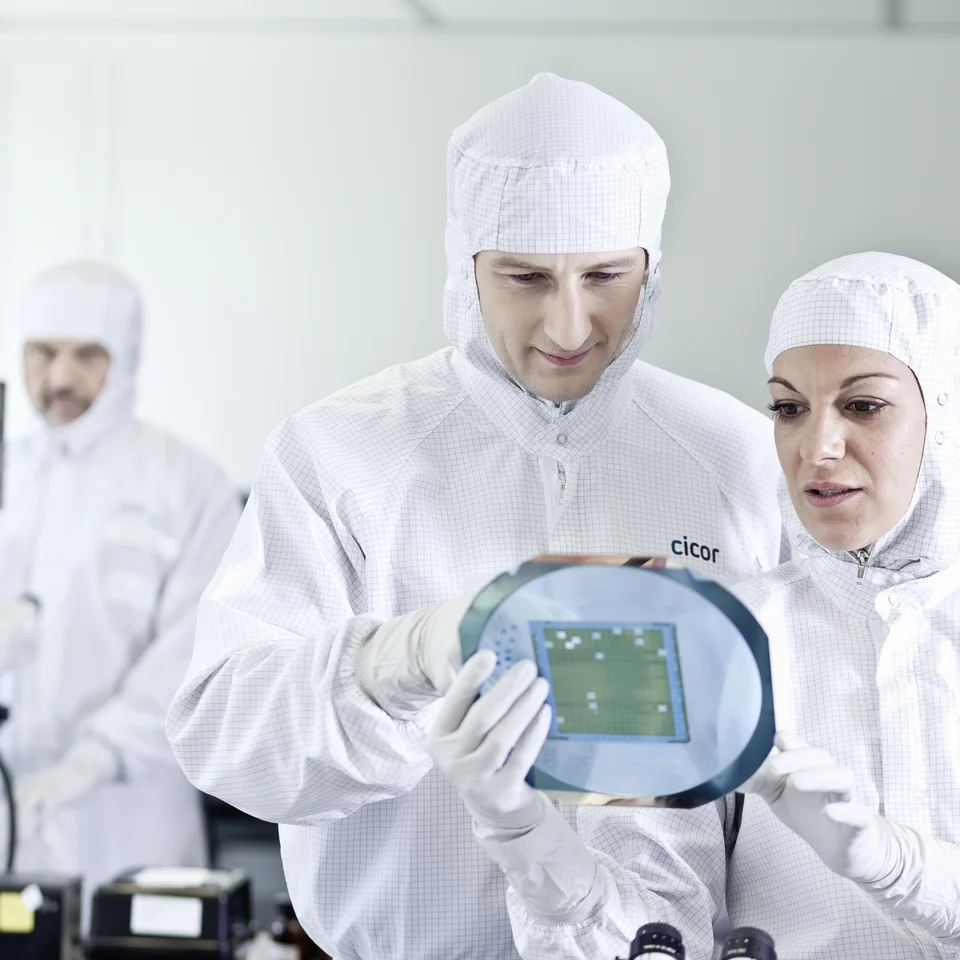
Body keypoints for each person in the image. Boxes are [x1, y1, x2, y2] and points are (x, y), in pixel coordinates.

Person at [166, 73, 787, 960]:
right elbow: (223, 735)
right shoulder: (339, 453)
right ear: (467, 267)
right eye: (526, 277)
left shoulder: (737, 458)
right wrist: (404, 659)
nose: (568, 324)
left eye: (605, 276)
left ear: (651, 269)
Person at [437, 251, 960, 960]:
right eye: (789, 408)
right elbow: (654, 927)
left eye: (863, 405)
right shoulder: (711, 637)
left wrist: (901, 868)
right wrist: (533, 845)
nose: (817, 447)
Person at [0, 261, 241, 916]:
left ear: (125, 357)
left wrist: (95, 758)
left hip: (131, 819)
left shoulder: (187, 485)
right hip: (10, 817)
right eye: (43, 352)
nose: (60, 378)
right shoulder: (8, 472)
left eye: (87, 355)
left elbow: (196, 649)